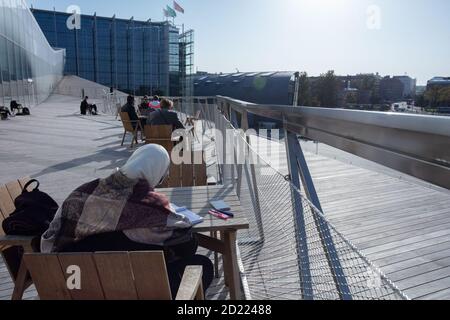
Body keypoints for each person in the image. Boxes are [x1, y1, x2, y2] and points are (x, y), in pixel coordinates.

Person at [41, 144, 214, 296]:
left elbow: (54, 233)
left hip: (81, 282)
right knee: (202, 263)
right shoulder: (152, 205)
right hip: (135, 286)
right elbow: (185, 244)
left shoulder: (84, 192)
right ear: (158, 172)